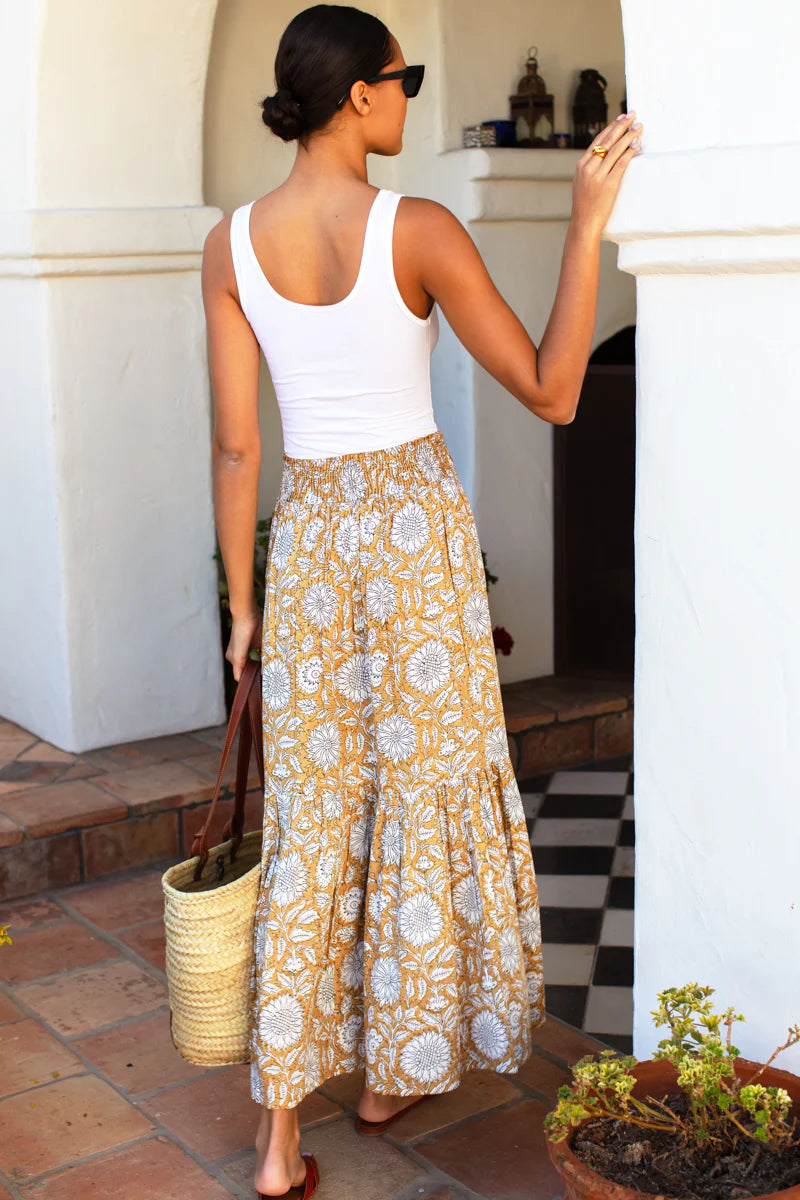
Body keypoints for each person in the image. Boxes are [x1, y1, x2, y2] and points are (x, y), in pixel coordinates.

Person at [201, 6, 642, 1197]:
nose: (407, 97)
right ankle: (392, 1071)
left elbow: (237, 449)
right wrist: (584, 223)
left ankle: (279, 1140)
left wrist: (242, 610)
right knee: (420, 803)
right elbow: (554, 391)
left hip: (307, 544)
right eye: (403, 80)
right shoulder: (419, 229)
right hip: (412, 547)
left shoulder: (229, 246)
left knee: (313, 825)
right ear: (359, 95)